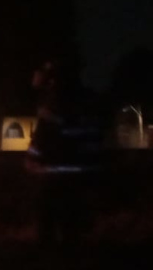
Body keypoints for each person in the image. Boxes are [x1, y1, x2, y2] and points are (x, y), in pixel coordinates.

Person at [26, 60, 104, 245]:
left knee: (48, 221)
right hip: (80, 173)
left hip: (54, 174)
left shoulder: (54, 103)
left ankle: (51, 261)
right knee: (72, 224)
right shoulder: (84, 102)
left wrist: (32, 157)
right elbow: (92, 137)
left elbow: (44, 135)